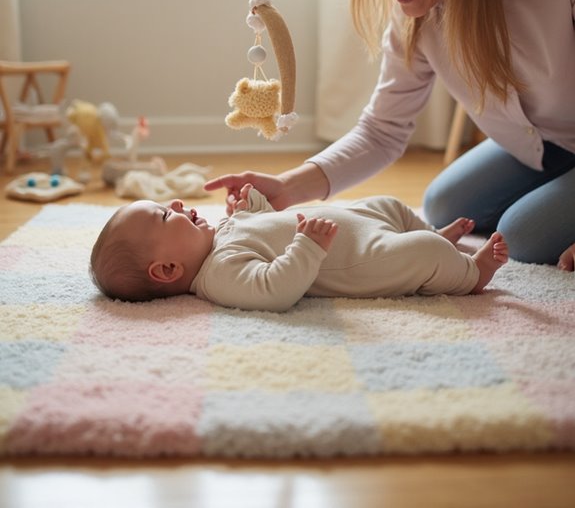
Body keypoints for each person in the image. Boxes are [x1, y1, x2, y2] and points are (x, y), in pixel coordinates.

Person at [204, 0, 575, 270]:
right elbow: (382, 130)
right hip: (545, 141)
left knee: (522, 236)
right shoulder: (418, 7)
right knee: (444, 204)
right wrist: (288, 187)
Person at [89, 187, 509, 310]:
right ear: (166, 270)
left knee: (389, 204)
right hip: (360, 257)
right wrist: (307, 248)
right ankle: (471, 274)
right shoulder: (219, 275)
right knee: (422, 253)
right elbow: (274, 289)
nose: (177, 204)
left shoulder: (220, 234)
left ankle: (436, 232)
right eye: (165, 215)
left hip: (360, 223)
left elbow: (265, 226)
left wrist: (253, 207)